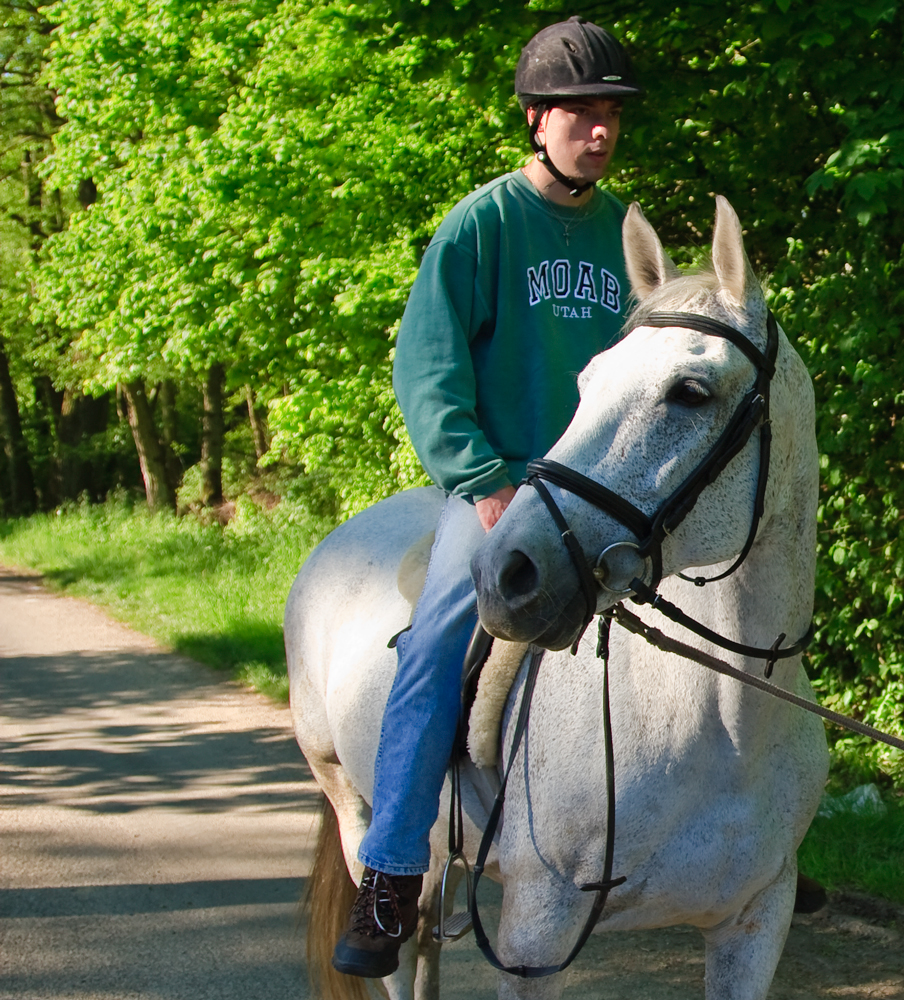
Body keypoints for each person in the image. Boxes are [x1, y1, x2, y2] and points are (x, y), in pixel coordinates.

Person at [331, 16, 643, 979]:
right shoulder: (483, 224)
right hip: (506, 490)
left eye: (611, 114)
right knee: (430, 645)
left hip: (606, 493)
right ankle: (388, 878)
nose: (599, 129)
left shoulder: (628, 232)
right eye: (580, 112)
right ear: (535, 117)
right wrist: (485, 481)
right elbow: (426, 371)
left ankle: (752, 834)